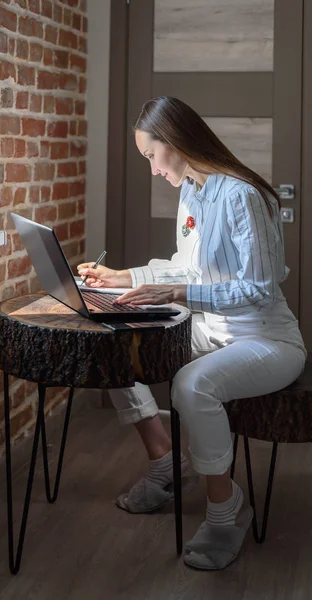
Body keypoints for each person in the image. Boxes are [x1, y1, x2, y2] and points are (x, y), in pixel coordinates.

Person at [77, 96, 306, 570]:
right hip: (212, 329)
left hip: (265, 339)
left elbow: (258, 289)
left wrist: (177, 294)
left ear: (175, 141)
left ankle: (225, 513)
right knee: (117, 345)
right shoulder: (193, 192)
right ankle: (164, 463)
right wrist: (124, 277)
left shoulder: (243, 194)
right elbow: (187, 268)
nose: (153, 170)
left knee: (191, 385)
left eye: (150, 157)